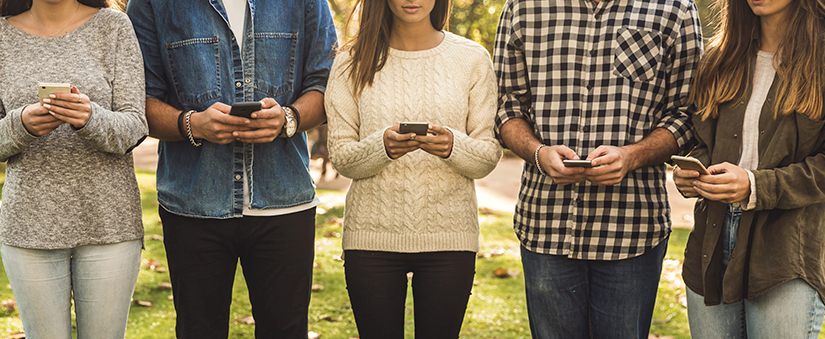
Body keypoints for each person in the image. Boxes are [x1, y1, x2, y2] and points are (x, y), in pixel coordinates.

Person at [126, 0, 336, 338]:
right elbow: (137, 99)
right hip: (193, 207)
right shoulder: (154, 4)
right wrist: (191, 124)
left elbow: (327, 84)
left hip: (285, 202)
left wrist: (288, 119)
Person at [492, 0, 703, 337]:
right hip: (547, 222)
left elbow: (688, 112)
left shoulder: (674, 8)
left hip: (632, 227)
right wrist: (538, 153)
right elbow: (507, 106)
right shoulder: (523, 7)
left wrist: (631, 156)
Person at [325, 0, 502, 337]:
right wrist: (383, 147)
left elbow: (486, 156)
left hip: (450, 239)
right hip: (371, 238)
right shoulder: (350, 60)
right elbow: (343, 157)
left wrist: (452, 145)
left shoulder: (472, 58)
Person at [674, 0, 825, 337]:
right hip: (710, 245)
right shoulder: (720, 57)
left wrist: (755, 186)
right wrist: (694, 173)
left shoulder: (820, 60)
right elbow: (702, 138)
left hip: (786, 251)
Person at [0, 0, 148, 337]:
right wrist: (20, 124)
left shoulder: (114, 27)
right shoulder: (2, 36)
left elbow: (136, 125)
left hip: (109, 224)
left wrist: (89, 118)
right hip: (29, 227)